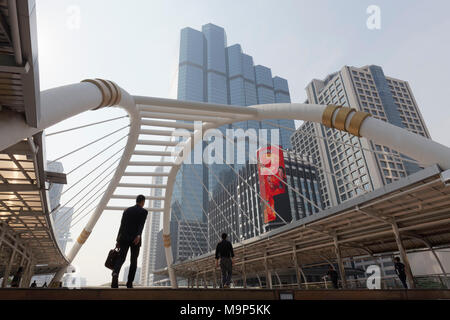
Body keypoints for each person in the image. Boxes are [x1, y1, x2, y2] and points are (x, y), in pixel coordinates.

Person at [111, 195, 148, 289]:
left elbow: (122, 225)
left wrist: (118, 240)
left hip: (124, 238)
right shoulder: (144, 211)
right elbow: (141, 224)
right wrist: (138, 235)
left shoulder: (127, 210)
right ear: (143, 202)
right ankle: (129, 283)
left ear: (136, 201)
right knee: (133, 261)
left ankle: (115, 274)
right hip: (135, 239)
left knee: (121, 258)